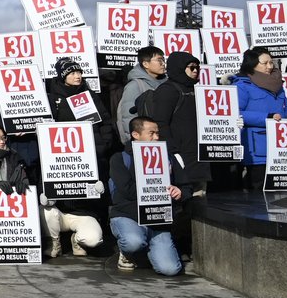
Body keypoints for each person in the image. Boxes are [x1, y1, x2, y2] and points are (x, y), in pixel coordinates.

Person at [41, 58, 109, 257]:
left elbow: (105, 122)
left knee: (95, 196)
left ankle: (80, 237)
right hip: (63, 160)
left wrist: (102, 145)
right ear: (62, 77)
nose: (77, 76)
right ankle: (55, 241)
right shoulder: (52, 97)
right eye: (71, 73)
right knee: (51, 204)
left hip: (94, 158)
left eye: (79, 72)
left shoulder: (91, 96)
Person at [109, 116, 194, 276]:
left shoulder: (168, 157)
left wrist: (179, 192)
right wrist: (157, 190)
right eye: (151, 133)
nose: (156, 138)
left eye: (157, 134)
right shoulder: (120, 158)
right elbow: (127, 190)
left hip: (158, 220)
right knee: (133, 242)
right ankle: (127, 252)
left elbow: (187, 187)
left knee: (170, 269)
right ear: (135, 135)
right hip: (128, 216)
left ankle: (145, 251)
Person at [138, 52, 210, 195]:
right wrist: (173, 151)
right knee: (186, 199)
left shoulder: (198, 90)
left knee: (201, 199)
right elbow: (161, 123)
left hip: (199, 155)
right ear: (179, 68)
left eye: (197, 67)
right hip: (182, 155)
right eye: (191, 67)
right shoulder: (168, 90)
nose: (195, 71)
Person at [233, 46, 287, 190]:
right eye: (265, 63)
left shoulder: (277, 84)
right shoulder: (242, 86)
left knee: (284, 193)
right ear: (252, 65)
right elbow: (236, 113)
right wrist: (266, 117)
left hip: (281, 148)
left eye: (271, 62)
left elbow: (286, 106)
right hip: (257, 150)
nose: (270, 66)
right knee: (259, 194)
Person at [116, 46, 165, 143]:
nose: (163, 64)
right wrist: (132, 141)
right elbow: (128, 117)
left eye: (163, 60)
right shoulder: (135, 85)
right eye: (159, 60)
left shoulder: (167, 84)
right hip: (143, 143)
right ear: (146, 64)